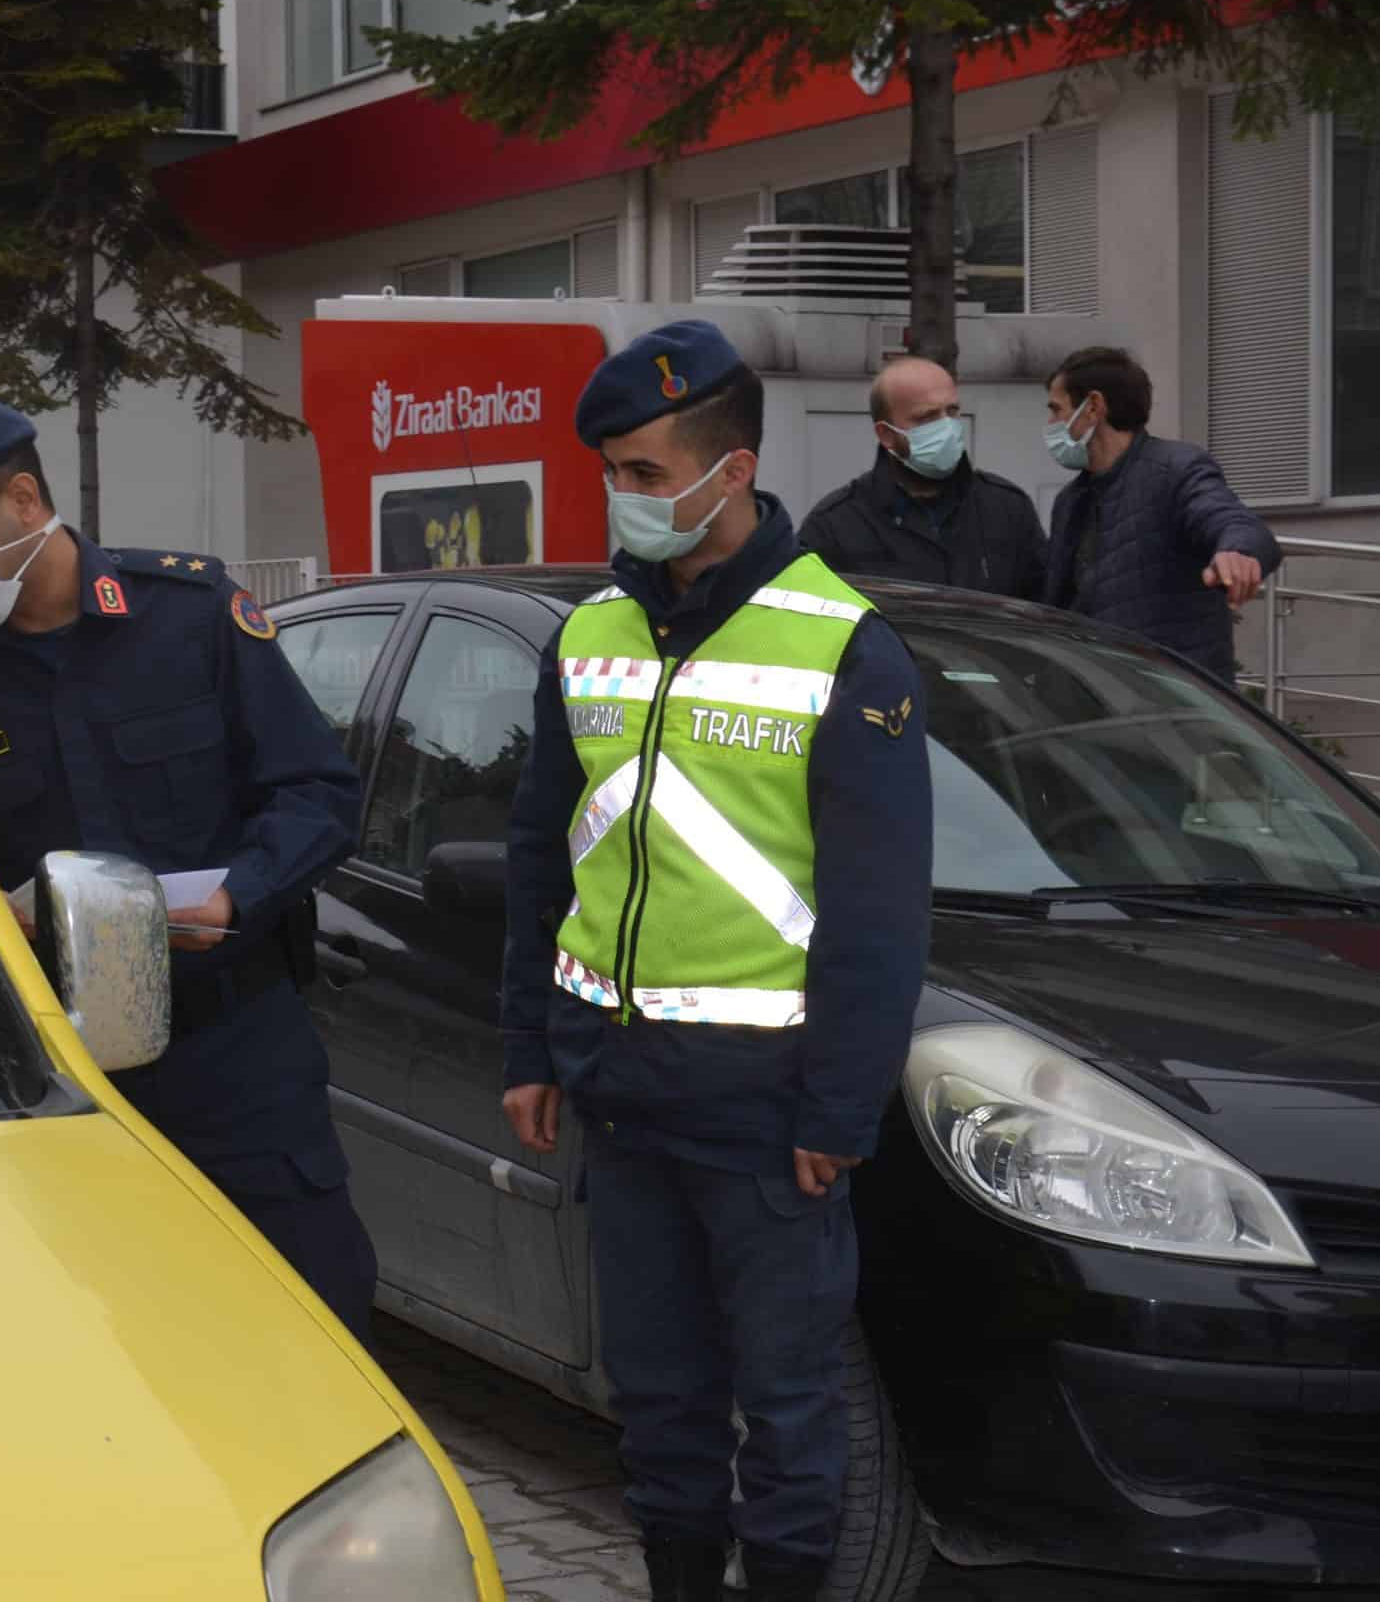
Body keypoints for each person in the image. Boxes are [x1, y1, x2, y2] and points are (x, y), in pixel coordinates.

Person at [498, 321, 933, 1602]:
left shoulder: (841, 643)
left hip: (764, 1107)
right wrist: (530, 1045)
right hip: (618, 1090)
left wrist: (839, 1110)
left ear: (726, 471)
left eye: (641, 472)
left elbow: (877, 908)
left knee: (789, 1407)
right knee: (657, 1400)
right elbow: (540, 859)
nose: (620, 498)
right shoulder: (587, 634)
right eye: (611, 474)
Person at [0, 397, 379, 1336]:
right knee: (128, 1349)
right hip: (73, 1081)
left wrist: (241, 894)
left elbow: (319, 793)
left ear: (24, 501)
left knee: (313, 1334)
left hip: (239, 1062)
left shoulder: (192, 619)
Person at [1040, 345, 1280, 682]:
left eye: (1056, 410)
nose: (1051, 424)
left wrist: (1239, 552)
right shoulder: (1071, 500)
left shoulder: (1175, 470)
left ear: (1092, 407)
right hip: (1092, 700)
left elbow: (1231, 519)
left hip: (1171, 705)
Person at [796, 355, 1047, 598]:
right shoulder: (835, 525)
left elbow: (1046, 618)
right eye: (926, 417)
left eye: (952, 411)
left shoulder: (1007, 508)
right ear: (886, 435)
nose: (947, 428)